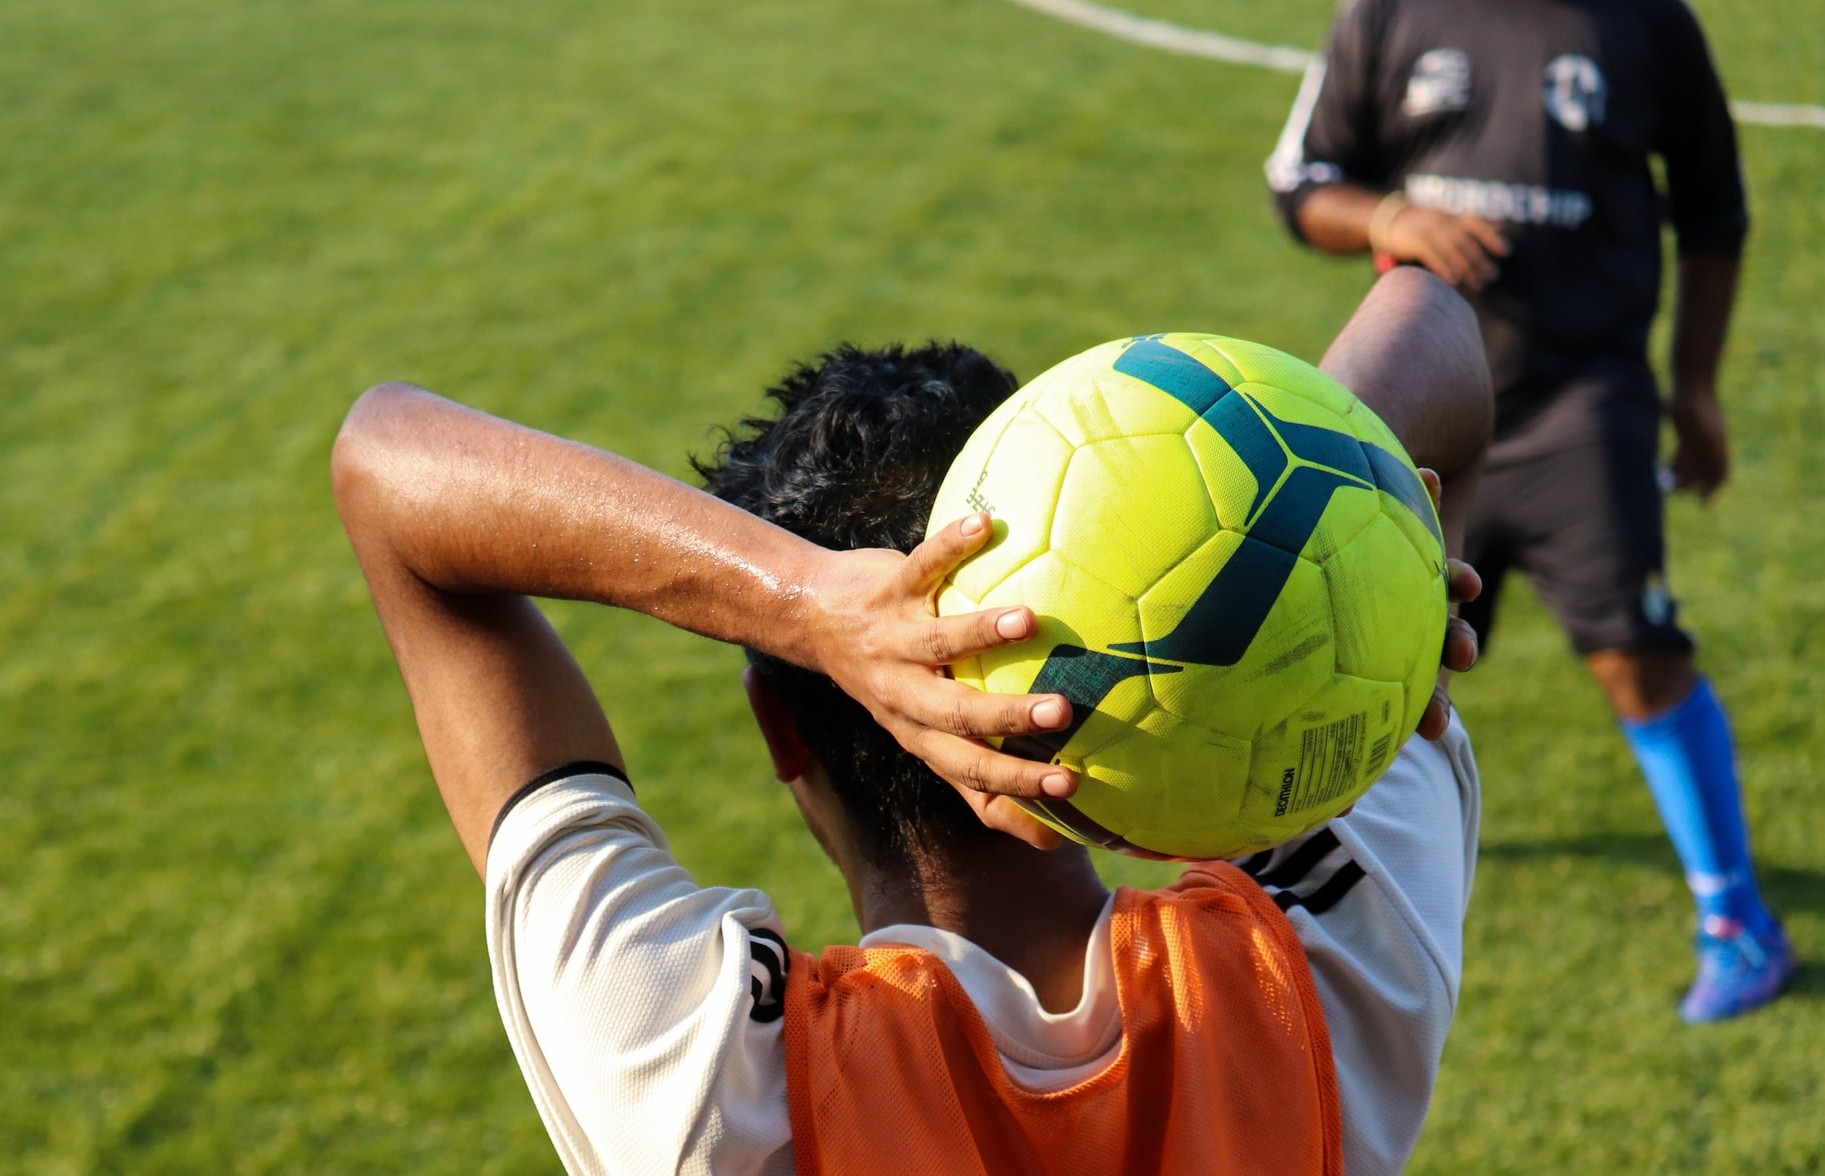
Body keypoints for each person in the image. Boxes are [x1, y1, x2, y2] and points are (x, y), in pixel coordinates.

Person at [332, 267, 1490, 1175]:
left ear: (782, 734)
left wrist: (802, 602)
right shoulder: (1329, 965)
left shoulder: (709, 1086)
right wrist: (1339, 533)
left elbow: (385, 461)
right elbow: (1430, 317)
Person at [1264, 0, 1794, 1023]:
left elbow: (1715, 211)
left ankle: (1737, 922)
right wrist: (1388, 219)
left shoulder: (1648, 25)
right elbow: (1300, 184)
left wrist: (1694, 389)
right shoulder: (1384, 12)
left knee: (1631, 646)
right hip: (1418, 406)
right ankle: (1275, 917)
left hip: (1581, 406)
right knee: (1361, 664)